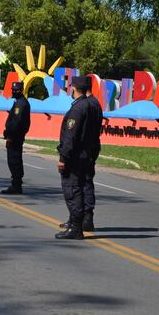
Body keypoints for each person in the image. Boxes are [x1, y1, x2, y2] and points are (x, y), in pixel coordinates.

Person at [59, 76, 103, 232]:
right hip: (89, 149)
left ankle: (83, 219)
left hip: (83, 151)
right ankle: (77, 219)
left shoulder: (86, 105)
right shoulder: (92, 104)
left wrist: (64, 156)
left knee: (80, 185)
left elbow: (73, 133)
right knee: (82, 184)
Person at [55, 75, 92, 240]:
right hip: (84, 155)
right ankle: (75, 225)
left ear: (75, 88)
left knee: (72, 191)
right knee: (78, 190)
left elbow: (70, 136)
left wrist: (63, 158)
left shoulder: (77, 108)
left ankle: (76, 228)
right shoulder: (87, 105)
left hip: (74, 157)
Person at [1, 81, 31, 194]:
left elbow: (16, 122)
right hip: (15, 136)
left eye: (16, 90)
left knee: (14, 160)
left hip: (15, 137)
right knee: (14, 160)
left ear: (21, 90)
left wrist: (10, 136)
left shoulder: (21, 104)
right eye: (13, 90)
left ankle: (16, 185)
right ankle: (16, 184)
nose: (14, 92)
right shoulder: (19, 102)